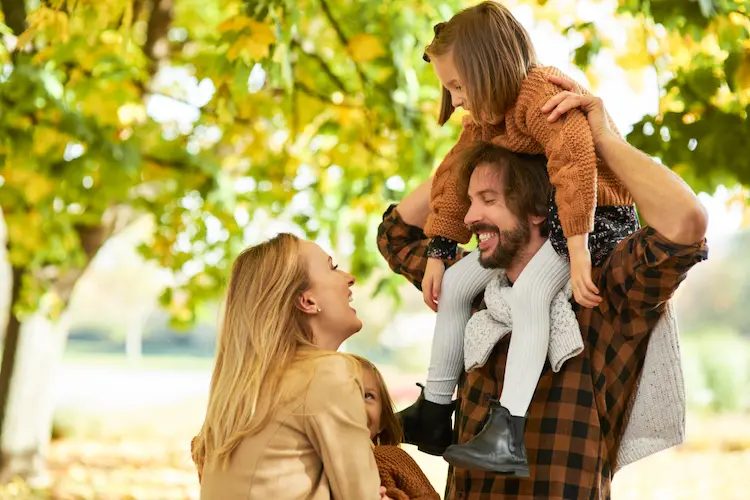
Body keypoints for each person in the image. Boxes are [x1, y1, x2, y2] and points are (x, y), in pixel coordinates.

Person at [378, 78, 708, 497]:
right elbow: (397, 234)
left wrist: (598, 141)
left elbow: (685, 224)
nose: (469, 218)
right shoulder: (477, 296)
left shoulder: (603, 295)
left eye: (488, 200)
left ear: (538, 210)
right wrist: (482, 134)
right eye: (469, 200)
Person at [400, 1, 640, 471]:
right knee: (455, 284)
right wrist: (440, 251)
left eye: (457, 85)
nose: (457, 97)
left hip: (596, 221)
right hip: (556, 222)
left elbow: (576, 166)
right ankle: (435, 408)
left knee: (531, 290)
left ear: (487, 68)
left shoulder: (542, 97)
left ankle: (507, 434)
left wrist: (577, 251)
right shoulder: (488, 122)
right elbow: (450, 180)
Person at [190, 233, 390, 499]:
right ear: (307, 301)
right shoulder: (328, 372)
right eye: (332, 268)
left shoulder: (246, 388)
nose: (349, 277)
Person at [351, 355, 441, 500]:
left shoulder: (389, 458)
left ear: (382, 422)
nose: (355, 404)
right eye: (343, 394)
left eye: (368, 396)